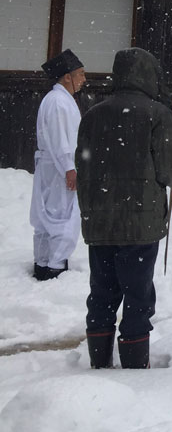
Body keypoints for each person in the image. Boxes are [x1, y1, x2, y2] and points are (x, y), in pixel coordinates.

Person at [75, 47, 172, 369]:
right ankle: (135, 364)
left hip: (100, 221)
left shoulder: (93, 113)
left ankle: (99, 357)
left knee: (102, 291)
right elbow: (167, 171)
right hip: (140, 222)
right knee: (137, 293)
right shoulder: (157, 114)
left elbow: (82, 165)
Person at [31, 49, 86, 280]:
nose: (83, 80)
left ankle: (44, 263)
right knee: (61, 213)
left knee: (49, 213)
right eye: (80, 74)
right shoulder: (58, 102)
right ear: (67, 77)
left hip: (52, 166)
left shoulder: (59, 100)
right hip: (58, 167)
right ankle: (54, 266)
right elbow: (61, 139)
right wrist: (69, 168)